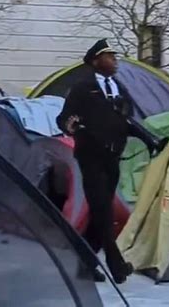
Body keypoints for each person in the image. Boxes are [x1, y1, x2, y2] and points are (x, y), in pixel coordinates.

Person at [56, 39, 136, 284]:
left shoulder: (118, 87)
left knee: (99, 213)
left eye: (115, 56)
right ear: (95, 61)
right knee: (103, 210)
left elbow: (126, 116)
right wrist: (73, 128)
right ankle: (116, 265)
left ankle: (84, 262)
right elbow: (64, 119)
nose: (115, 61)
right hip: (90, 157)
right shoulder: (83, 87)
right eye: (109, 57)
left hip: (113, 157)